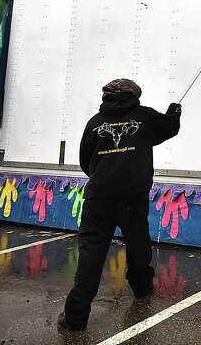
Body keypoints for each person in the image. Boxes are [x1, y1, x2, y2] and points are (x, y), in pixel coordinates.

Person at [58, 79, 182, 331]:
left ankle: (75, 316)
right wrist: (174, 112)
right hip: (132, 197)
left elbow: (86, 161)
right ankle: (141, 288)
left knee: (91, 254)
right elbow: (168, 128)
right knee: (138, 243)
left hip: (99, 197)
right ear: (134, 96)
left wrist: (104, 175)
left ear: (107, 96)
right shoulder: (145, 117)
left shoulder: (94, 123)